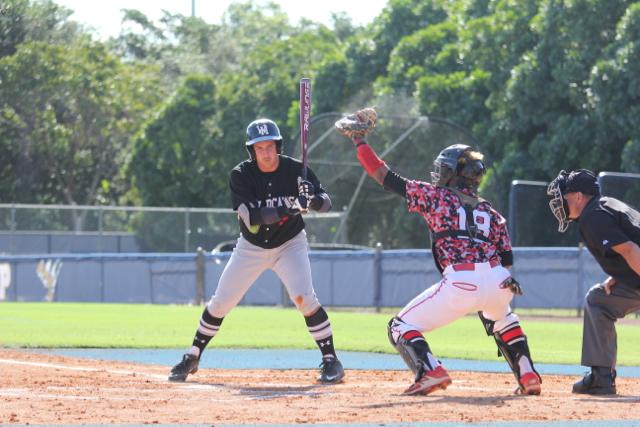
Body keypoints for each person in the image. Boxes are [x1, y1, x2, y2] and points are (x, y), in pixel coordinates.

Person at [335, 108, 541, 396]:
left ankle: (429, 370)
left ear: (450, 173)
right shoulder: (488, 210)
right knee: (502, 317)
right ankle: (528, 373)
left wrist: (359, 141)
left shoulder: (434, 196)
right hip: (500, 280)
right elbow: (506, 259)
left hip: (462, 281)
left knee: (400, 325)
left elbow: (384, 176)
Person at [168, 118, 344, 384]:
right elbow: (253, 217)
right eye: (259, 148)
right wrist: (292, 206)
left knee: (305, 299)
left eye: (270, 146)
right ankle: (193, 355)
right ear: (252, 151)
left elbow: (327, 204)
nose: (266, 152)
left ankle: (331, 360)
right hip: (251, 246)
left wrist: (314, 199)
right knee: (221, 301)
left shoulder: (297, 169)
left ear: (278, 146)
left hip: (290, 243)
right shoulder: (241, 175)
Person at [547, 169, 640, 395]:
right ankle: (601, 377)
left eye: (565, 197)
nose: (560, 202)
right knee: (599, 299)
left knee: (597, 301)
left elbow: (630, 249)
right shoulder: (607, 204)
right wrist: (618, 276)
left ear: (578, 196)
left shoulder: (593, 215)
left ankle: (602, 378)